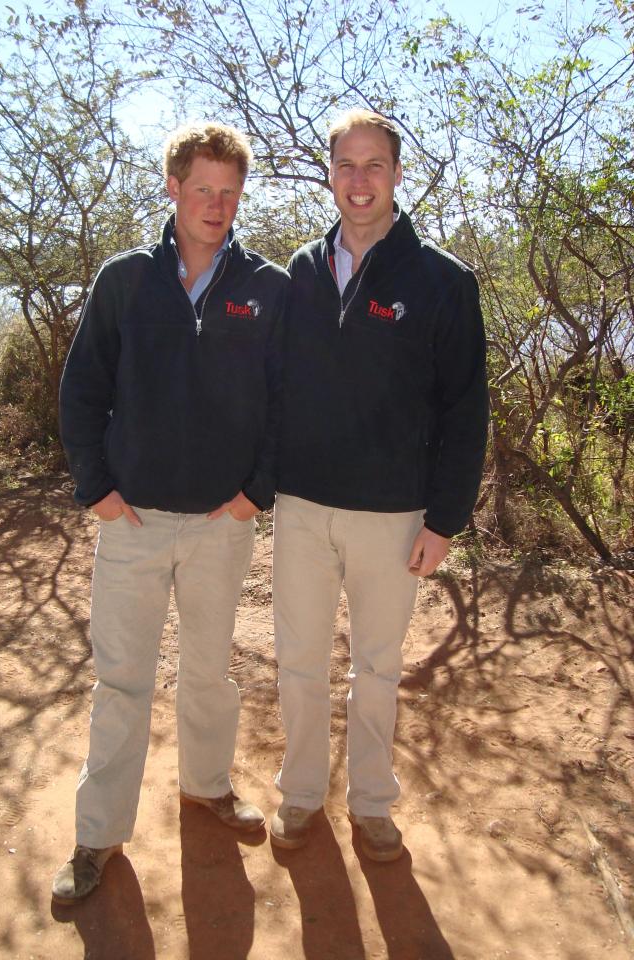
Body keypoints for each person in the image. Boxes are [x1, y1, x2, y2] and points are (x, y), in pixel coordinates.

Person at [53, 122, 288, 903]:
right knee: (121, 683)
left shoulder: (268, 286)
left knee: (210, 673)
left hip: (224, 523)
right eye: (202, 190)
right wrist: (97, 489)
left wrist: (258, 491)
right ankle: (97, 836)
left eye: (228, 191)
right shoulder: (125, 279)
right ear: (172, 189)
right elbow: (82, 388)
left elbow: (288, 404)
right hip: (134, 522)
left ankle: (208, 787)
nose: (216, 206)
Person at [270, 109, 489, 861]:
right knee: (297, 660)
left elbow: (466, 408)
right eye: (345, 166)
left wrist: (445, 520)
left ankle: (370, 804)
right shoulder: (299, 270)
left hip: (394, 513)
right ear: (328, 173)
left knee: (377, 667)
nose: (358, 182)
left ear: (397, 174)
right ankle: (301, 795)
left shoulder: (442, 281)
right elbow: (271, 386)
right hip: (301, 507)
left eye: (374, 166)